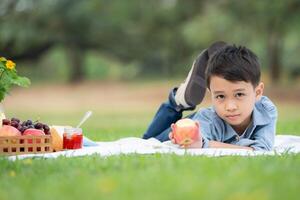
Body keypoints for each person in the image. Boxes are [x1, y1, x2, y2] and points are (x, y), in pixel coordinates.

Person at [142, 41, 277, 151]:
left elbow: (262, 149)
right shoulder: (206, 120)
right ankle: (176, 102)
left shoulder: (266, 111)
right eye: (220, 96)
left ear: (258, 92)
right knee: (147, 141)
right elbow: (198, 143)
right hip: (184, 126)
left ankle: (179, 100)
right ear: (210, 92)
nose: (230, 107)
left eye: (239, 94)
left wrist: (206, 144)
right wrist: (200, 143)